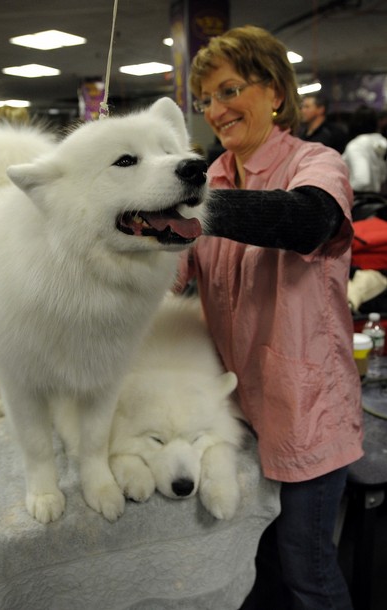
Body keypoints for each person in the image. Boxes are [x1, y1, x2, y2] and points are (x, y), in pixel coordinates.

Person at [182, 25, 363, 609]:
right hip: (240, 411)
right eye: (206, 99)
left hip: (308, 410)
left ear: (275, 93)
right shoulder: (211, 176)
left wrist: (186, 208)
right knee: (253, 565)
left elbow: (305, 220)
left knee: (307, 570)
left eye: (229, 90)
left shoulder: (316, 162)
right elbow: (173, 276)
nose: (216, 109)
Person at [342, 105, 387, 194]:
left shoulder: (356, 145)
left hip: (359, 201)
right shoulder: (382, 142)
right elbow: (383, 177)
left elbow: (361, 181)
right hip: (378, 198)